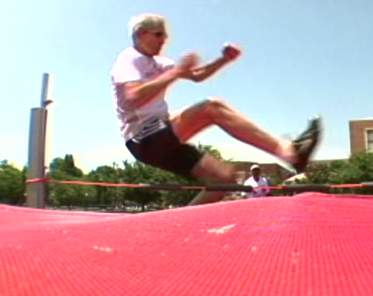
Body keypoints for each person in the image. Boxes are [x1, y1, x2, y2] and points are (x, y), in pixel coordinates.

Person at [110, 13, 322, 206]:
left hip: (160, 139)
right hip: (142, 138)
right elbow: (134, 97)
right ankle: (290, 151)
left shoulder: (160, 63)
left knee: (224, 180)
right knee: (212, 108)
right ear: (141, 34)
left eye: (165, 36)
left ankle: (180, 228)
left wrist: (223, 60)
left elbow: (197, 75)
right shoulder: (129, 58)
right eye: (158, 35)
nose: (163, 40)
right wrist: (175, 73)